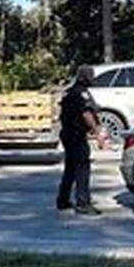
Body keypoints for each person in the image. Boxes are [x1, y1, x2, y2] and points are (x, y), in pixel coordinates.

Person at [57, 65, 108, 215]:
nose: (93, 79)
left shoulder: (69, 92)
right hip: (76, 135)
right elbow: (86, 114)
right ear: (85, 78)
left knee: (71, 168)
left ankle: (63, 200)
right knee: (82, 168)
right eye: (91, 76)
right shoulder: (81, 93)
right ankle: (83, 203)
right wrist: (97, 132)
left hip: (68, 133)